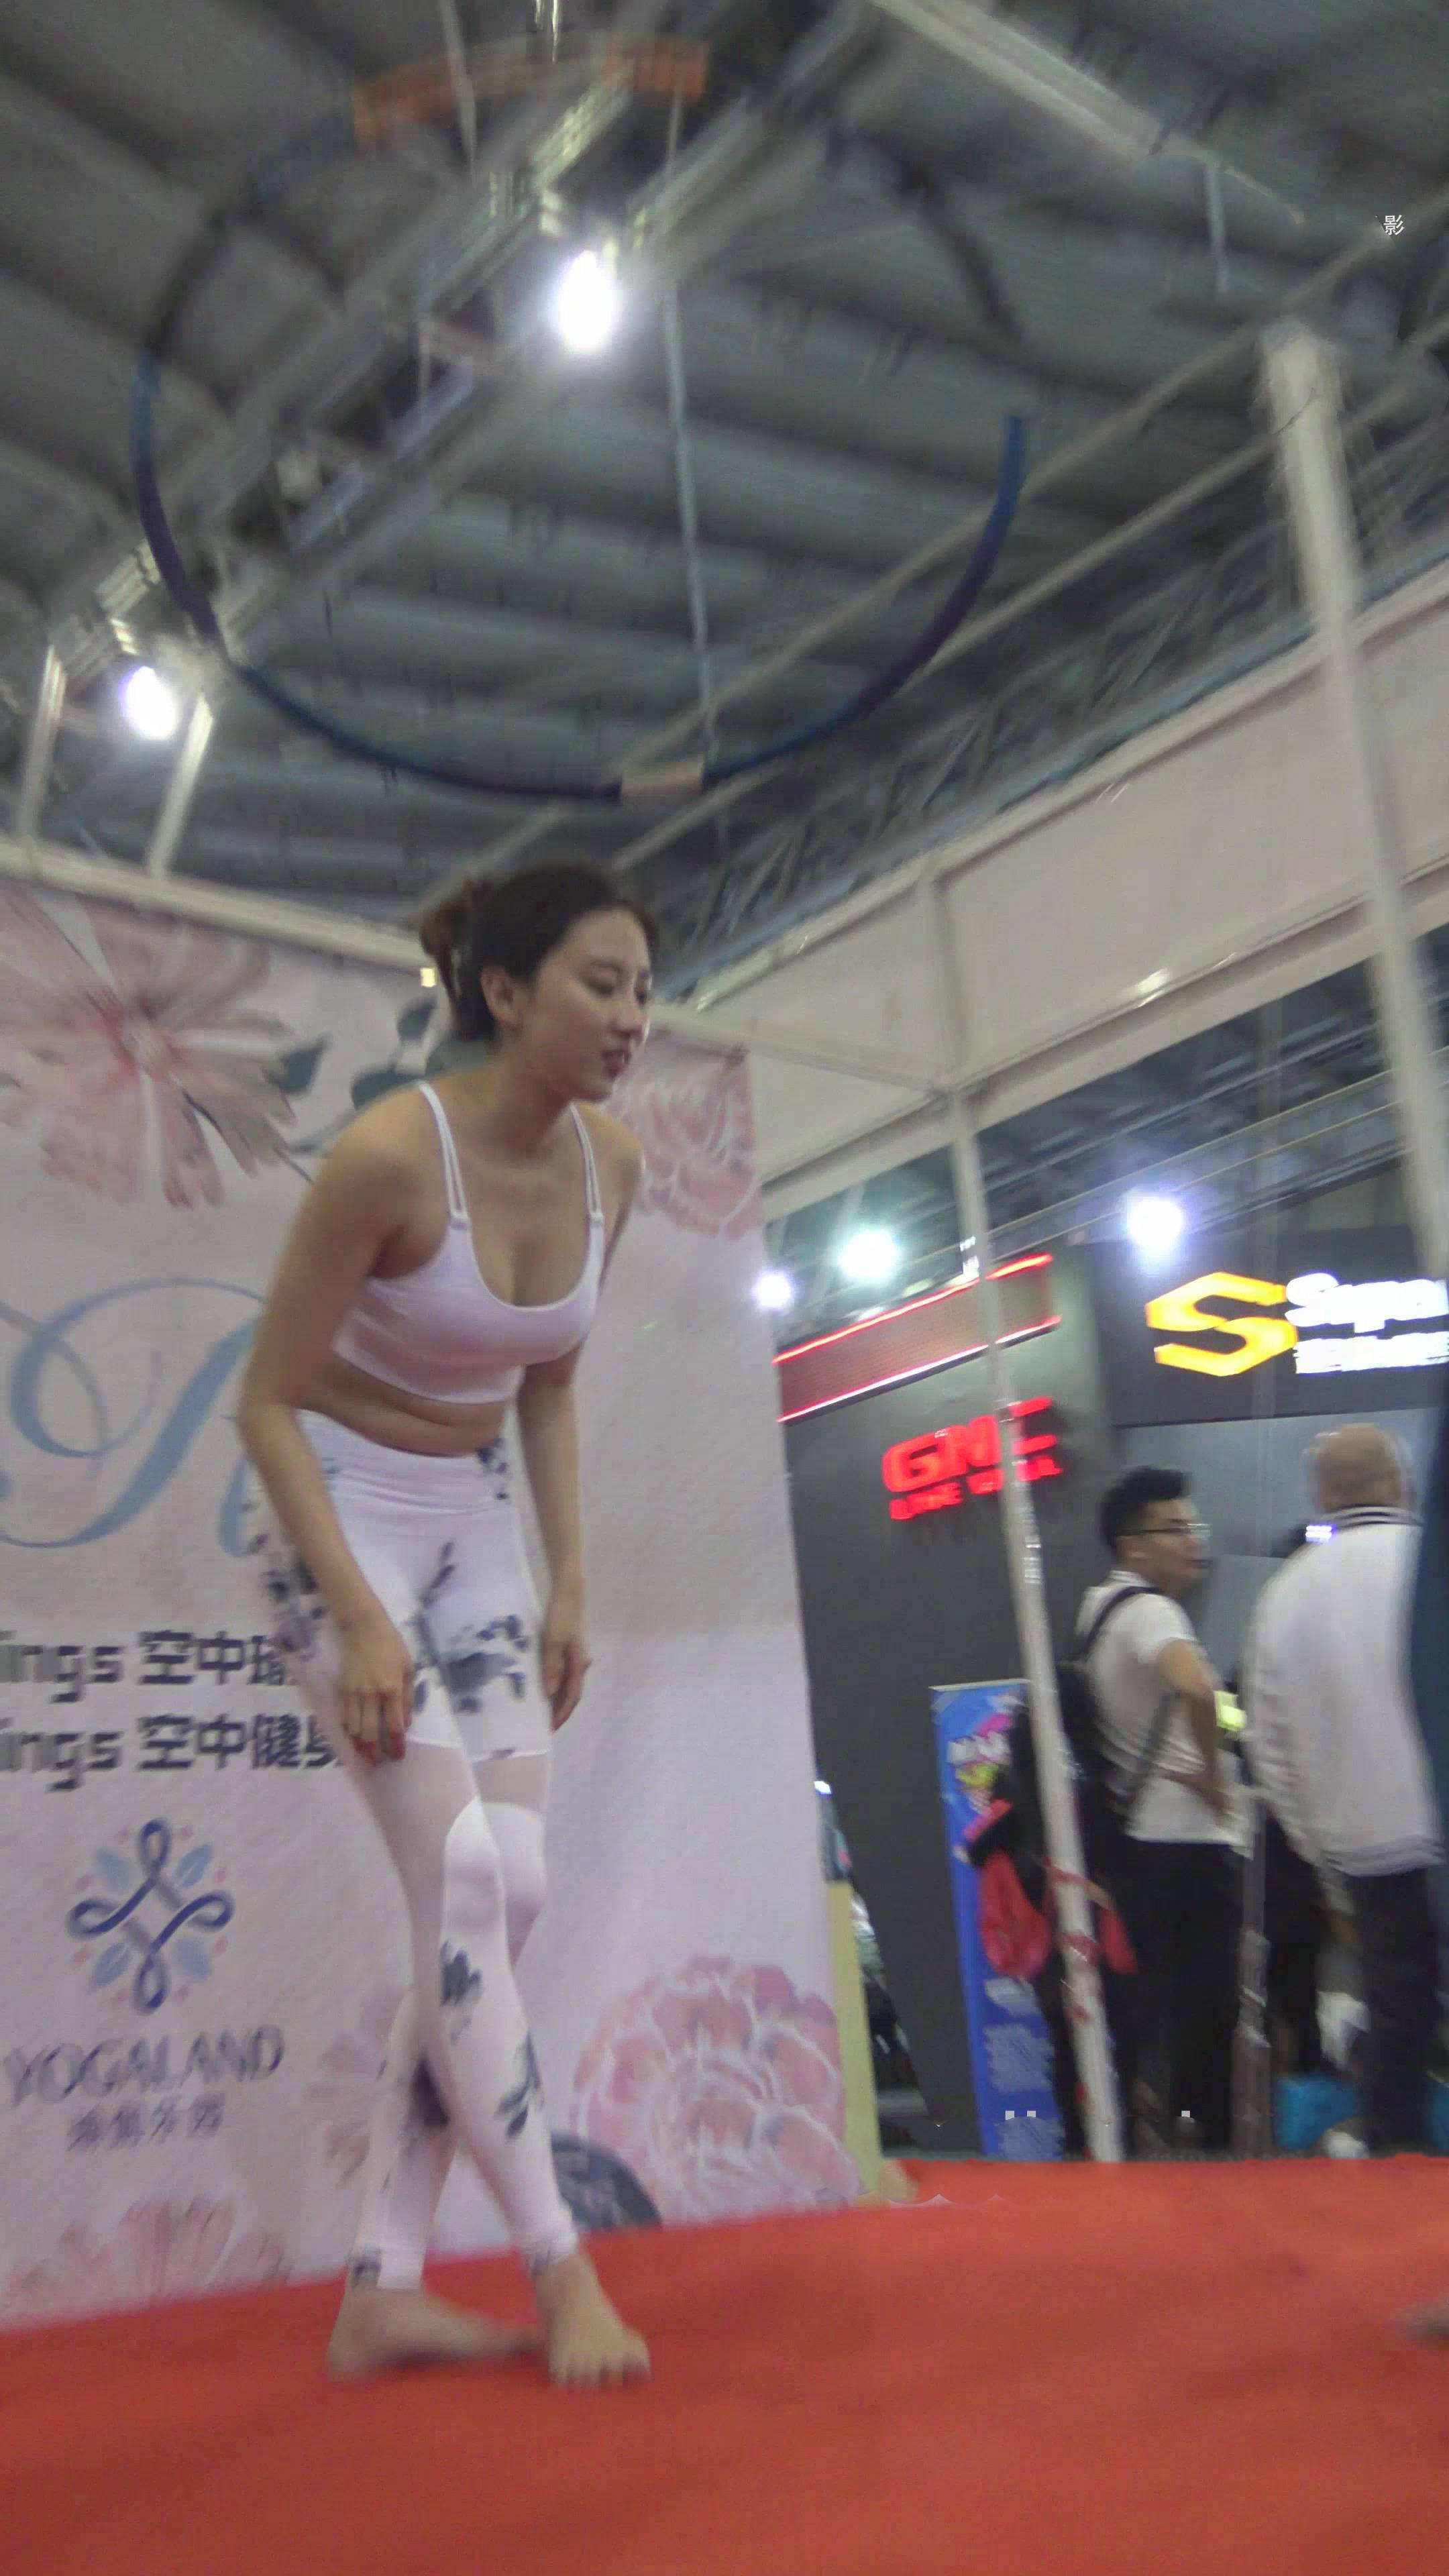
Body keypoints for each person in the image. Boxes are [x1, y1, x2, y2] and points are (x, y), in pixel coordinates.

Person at [237, 861, 655, 2390]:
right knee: (467, 1875)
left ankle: (380, 2287)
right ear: (504, 993)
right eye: (600, 985)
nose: (631, 1017)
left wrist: (570, 1577)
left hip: (477, 1532)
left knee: (508, 1889)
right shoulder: (387, 1158)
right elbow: (265, 1400)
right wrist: (359, 1620)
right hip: (342, 1522)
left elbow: (547, 1384)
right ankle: (559, 2269)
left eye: (644, 990)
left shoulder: (613, 1167)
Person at [1244, 1426, 1442, 2156]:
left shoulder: (1287, 1594)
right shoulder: (1432, 1563)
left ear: (1323, 1495)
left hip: (1366, 1846)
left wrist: (1320, 1850)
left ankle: (1400, 2164)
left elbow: (1269, 1748)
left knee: (1397, 2008)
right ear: (1404, 1483)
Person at [1079, 1467, 1240, 2155]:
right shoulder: (1152, 1612)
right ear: (1132, 1546)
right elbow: (1197, 1690)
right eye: (1174, 1529)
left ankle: (1159, 2121)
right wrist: (1212, 1771)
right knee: (1209, 2000)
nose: (1190, 1541)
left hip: (1139, 1839)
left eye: (1191, 1526)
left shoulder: (1098, 1612)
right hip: (1184, 1837)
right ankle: (1207, 2134)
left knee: (1159, 1997)